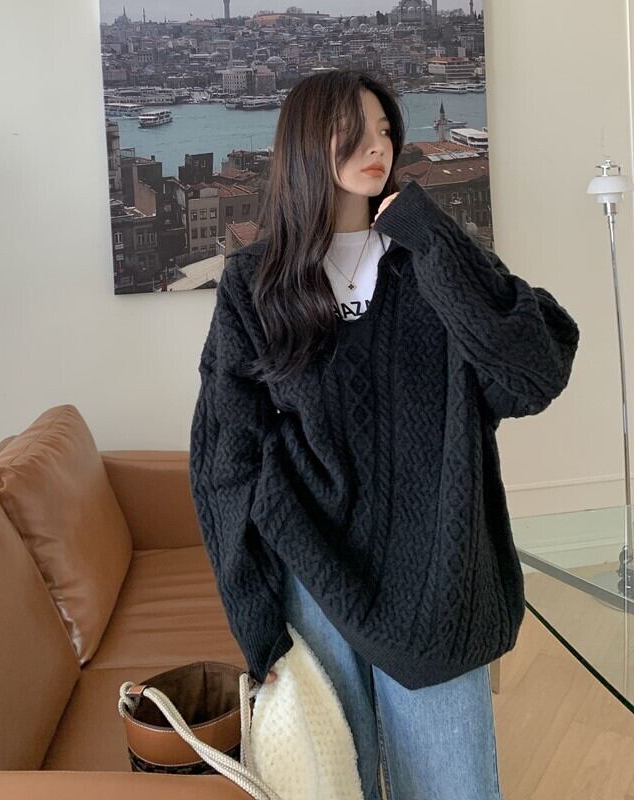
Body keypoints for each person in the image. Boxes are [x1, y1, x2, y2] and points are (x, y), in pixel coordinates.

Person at [189, 68, 579, 800]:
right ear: (309, 146)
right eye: (355, 132)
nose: (379, 146)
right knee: (336, 785)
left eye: (386, 130)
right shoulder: (256, 283)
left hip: (438, 577)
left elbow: (535, 375)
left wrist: (433, 238)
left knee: (454, 786)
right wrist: (254, 616)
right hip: (314, 574)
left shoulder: (431, 259)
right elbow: (224, 457)